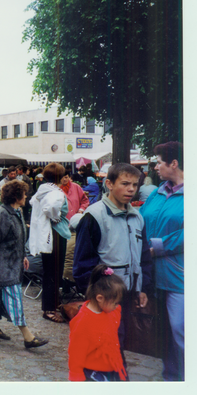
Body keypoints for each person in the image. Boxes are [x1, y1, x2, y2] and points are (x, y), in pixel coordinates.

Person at [73, 163, 153, 369]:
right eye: (125, 184)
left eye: (135, 185)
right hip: (105, 298)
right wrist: (95, 298)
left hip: (128, 293)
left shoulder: (137, 216)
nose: (131, 189)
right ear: (109, 183)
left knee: (119, 343)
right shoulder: (94, 216)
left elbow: (144, 256)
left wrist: (143, 288)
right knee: (108, 347)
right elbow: (82, 264)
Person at [0, 180, 48, 349]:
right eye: (24, 194)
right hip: (4, 267)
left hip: (12, 264)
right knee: (14, 299)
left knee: (0, 296)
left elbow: (17, 239)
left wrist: (23, 256)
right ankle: (28, 336)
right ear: (17, 196)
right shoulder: (1, 215)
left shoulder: (15, 212)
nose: (26, 196)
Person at [140, 141, 184, 381]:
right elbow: (141, 220)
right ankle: (171, 377)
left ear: (173, 163)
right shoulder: (156, 193)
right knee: (163, 332)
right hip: (151, 275)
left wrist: (156, 248)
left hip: (179, 277)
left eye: (158, 162)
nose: (155, 167)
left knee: (182, 331)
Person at [68, 265, 127, 381]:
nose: (117, 306)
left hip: (113, 367)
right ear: (100, 298)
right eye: (115, 303)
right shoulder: (83, 322)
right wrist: (76, 377)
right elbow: (76, 354)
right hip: (93, 374)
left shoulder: (111, 311)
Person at [28, 162, 71, 323]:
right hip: (55, 234)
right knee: (53, 273)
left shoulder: (43, 189)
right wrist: (56, 217)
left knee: (50, 272)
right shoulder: (56, 193)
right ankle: (49, 309)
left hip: (49, 234)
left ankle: (52, 305)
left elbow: (34, 202)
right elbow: (50, 208)